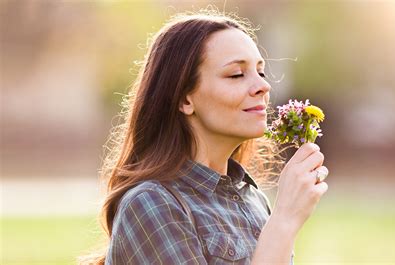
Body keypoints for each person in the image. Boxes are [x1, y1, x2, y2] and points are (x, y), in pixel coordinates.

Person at [80, 9, 328, 265]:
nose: (263, 86)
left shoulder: (254, 201)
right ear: (185, 99)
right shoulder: (152, 204)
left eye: (261, 72)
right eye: (236, 74)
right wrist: (284, 219)